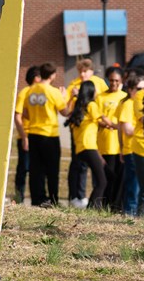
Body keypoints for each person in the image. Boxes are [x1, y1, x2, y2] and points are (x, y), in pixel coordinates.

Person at [15, 66, 66, 206]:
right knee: (51, 168)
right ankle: (53, 199)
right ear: (52, 75)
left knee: (35, 169)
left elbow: (24, 113)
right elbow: (65, 112)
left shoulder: (30, 91)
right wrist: (64, 98)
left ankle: (37, 199)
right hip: (49, 134)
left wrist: (35, 117)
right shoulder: (54, 91)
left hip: (33, 133)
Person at [65, 58, 108, 206]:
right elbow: (66, 109)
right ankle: (78, 196)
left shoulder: (99, 82)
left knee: (96, 168)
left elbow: (105, 98)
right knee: (79, 164)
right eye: (80, 71)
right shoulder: (73, 85)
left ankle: (92, 201)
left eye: (85, 71)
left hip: (94, 129)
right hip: (80, 127)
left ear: (91, 71)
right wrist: (72, 96)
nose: (83, 74)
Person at [96, 66, 128, 210]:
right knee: (106, 177)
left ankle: (116, 206)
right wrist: (105, 123)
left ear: (121, 81)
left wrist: (112, 125)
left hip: (119, 144)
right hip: (104, 143)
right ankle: (104, 204)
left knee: (119, 177)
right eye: (111, 81)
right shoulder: (100, 97)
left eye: (116, 80)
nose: (113, 83)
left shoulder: (124, 97)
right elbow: (95, 117)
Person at [123, 71, 144, 216]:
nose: (142, 92)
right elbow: (126, 128)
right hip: (137, 147)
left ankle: (136, 214)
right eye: (139, 89)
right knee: (137, 188)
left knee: (141, 187)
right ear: (131, 90)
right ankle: (133, 214)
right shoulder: (131, 103)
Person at [12, 65, 39, 203]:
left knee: (37, 169)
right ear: (36, 78)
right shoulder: (25, 92)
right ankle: (18, 197)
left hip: (39, 137)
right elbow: (17, 116)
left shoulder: (42, 92)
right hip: (27, 136)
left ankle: (37, 198)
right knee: (23, 168)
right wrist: (24, 137)